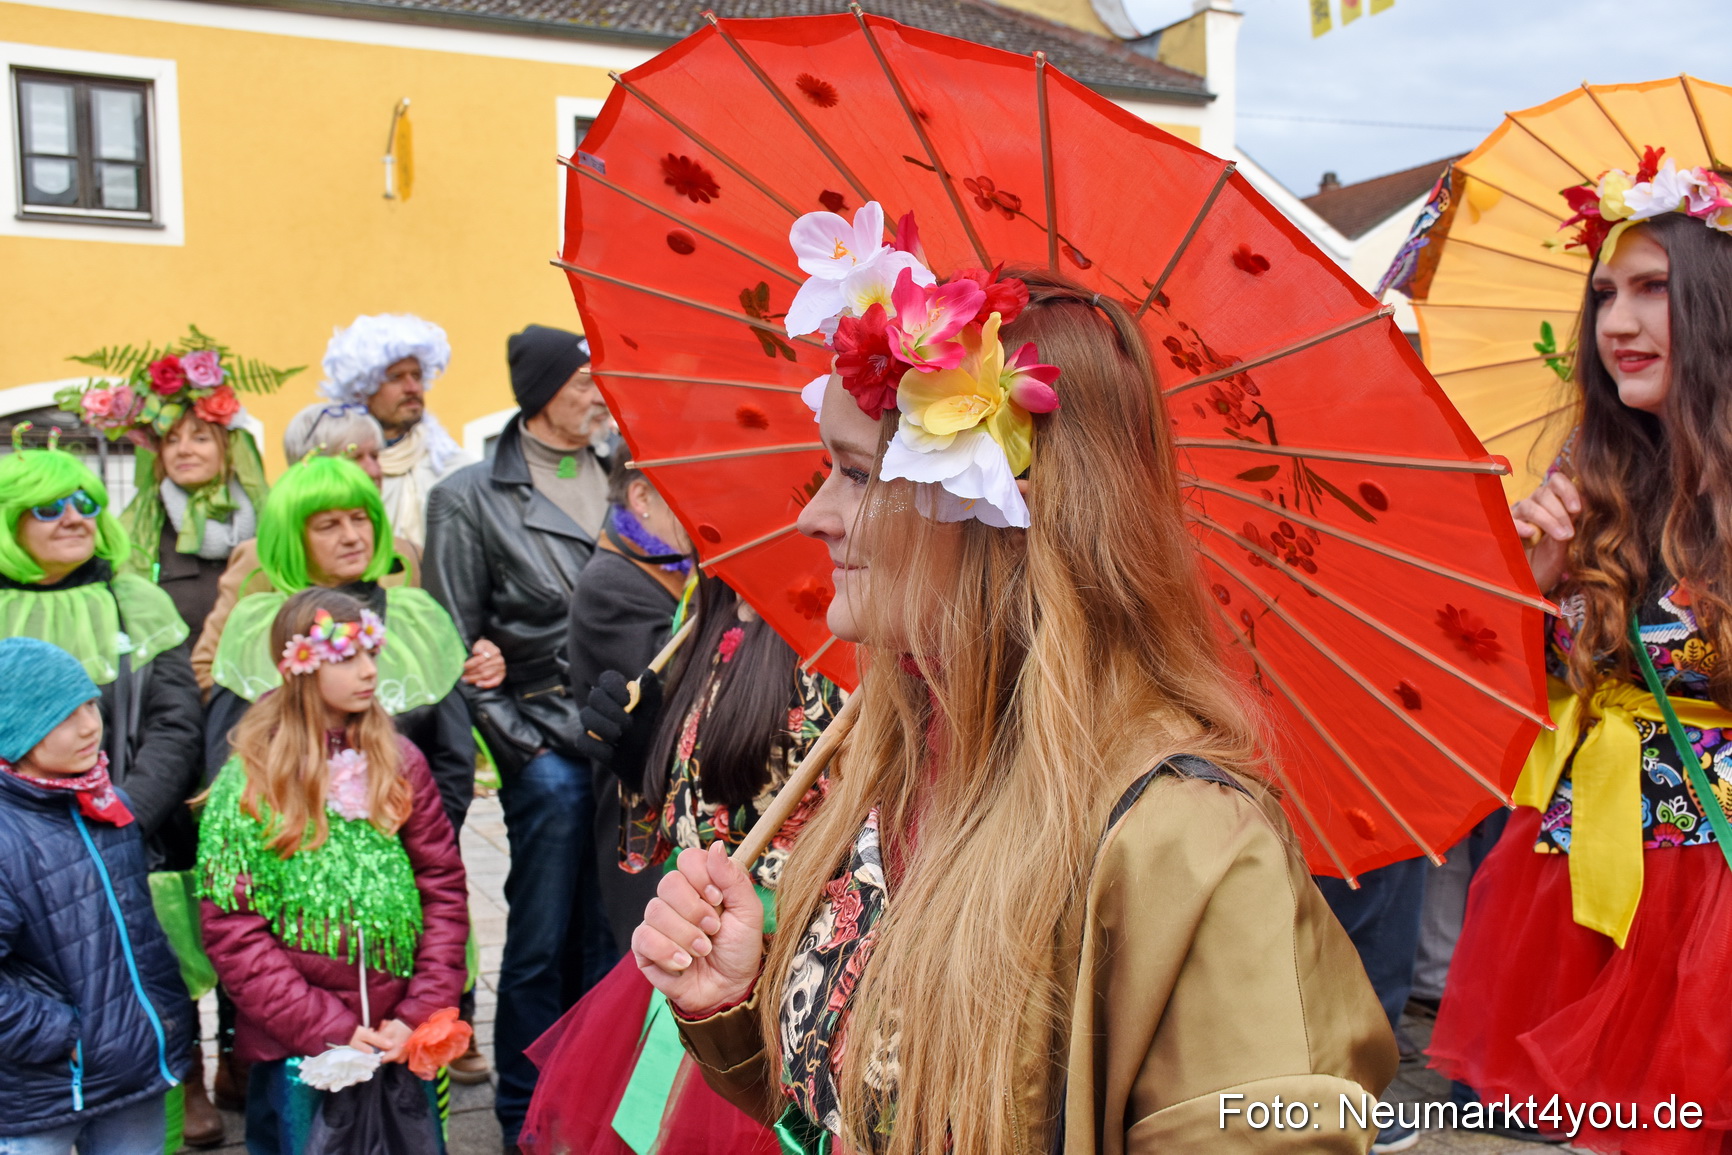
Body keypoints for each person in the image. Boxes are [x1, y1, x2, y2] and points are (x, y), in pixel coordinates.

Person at [630, 216, 1396, 1152]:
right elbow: (854, 1115)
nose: (816, 518)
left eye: (856, 473)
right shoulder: (899, 759)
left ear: (987, 515)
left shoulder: (1186, 844)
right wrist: (737, 1009)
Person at [1429, 157, 1732, 1154]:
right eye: (1604, 293)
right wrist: (1540, 578)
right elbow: (1510, 695)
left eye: (1652, 290)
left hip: (1711, 882)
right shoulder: (1589, 473)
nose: (1614, 324)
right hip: (1585, 857)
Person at [521, 575, 842, 1155]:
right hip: (695, 944)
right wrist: (640, 760)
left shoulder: (840, 623)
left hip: (786, 961)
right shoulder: (702, 605)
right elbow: (681, 815)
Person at [423, 323, 615, 1148]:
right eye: (583, 384)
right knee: (536, 938)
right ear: (542, 393)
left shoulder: (622, 475)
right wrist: (518, 744)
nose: (600, 396)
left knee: (610, 932)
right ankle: (523, 1113)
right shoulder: (469, 496)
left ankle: (592, 1098)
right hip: (539, 739)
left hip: (618, 735)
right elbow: (452, 639)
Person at [197, 589, 468, 1154]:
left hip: (397, 1036)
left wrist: (418, 1012)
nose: (369, 671)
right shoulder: (252, 779)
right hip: (300, 1048)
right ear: (299, 667)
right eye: (347, 658)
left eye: (372, 652)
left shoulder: (400, 762)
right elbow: (233, 927)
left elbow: (442, 889)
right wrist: (329, 1027)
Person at [201, 456, 477, 838]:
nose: (351, 536)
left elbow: (452, 756)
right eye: (328, 526)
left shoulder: (418, 619)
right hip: (288, 849)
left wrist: (423, 845)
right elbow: (228, 756)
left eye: (360, 518)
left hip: (406, 843)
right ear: (292, 537)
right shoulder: (258, 625)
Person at [191, 402, 501, 696]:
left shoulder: (407, 556)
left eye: (375, 456)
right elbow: (213, 668)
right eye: (354, 458)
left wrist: (482, 657)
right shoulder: (258, 562)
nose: (372, 470)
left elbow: (445, 656)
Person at [564, 457, 695, 947]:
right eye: (686, 492)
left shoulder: (668, 572)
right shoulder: (611, 583)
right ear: (641, 499)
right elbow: (672, 698)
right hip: (646, 836)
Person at [319, 314, 475, 547]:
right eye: (395, 378)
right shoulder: (334, 471)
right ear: (362, 389)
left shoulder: (453, 467)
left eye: (417, 376)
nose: (412, 388)